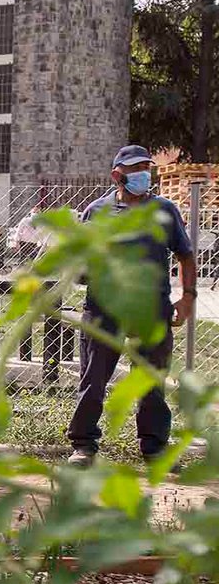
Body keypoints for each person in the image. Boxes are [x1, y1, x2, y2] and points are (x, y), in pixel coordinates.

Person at [66, 145, 197, 466]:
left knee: (151, 381)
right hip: (103, 310)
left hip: (151, 311)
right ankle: (83, 445)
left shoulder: (165, 210)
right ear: (117, 175)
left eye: (146, 169)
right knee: (93, 380)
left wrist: (188, 296)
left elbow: (185, 254)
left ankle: (154, 448)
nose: (143, 175)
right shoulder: (96, 211)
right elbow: (80, 263)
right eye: (135, 169)